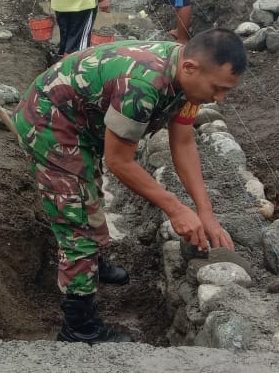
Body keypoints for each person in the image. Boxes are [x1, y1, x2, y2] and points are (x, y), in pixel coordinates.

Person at [14, 29, 247, 345]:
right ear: (191, 67)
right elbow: (119, 162)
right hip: (50, 121)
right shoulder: (142, 86)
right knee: (76, 217)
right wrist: (176, 208)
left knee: (88, 190)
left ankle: (91, 265)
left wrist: (205, 213)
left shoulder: (187, 81)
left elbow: (184, 142)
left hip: (81, 118)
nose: (219, 99)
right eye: (218, 89)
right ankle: (79, 329)